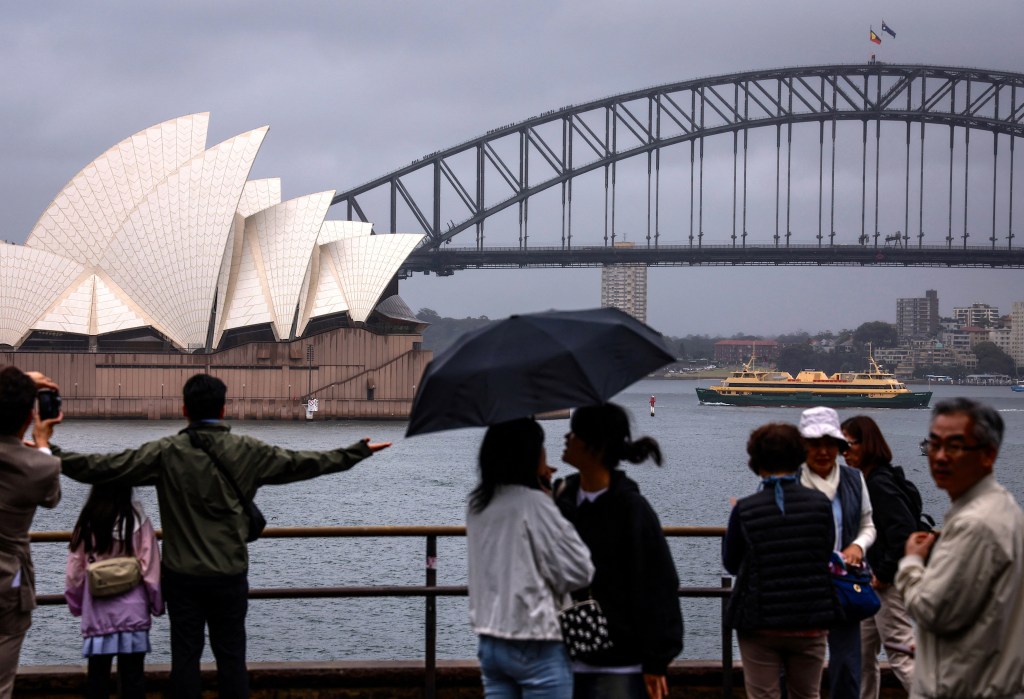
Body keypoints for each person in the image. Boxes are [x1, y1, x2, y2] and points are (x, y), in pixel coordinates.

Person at [36, 373, 391, 699]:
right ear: (223, 409)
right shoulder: (249, 450)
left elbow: (104, 468)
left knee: (186, 658)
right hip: (229, 573)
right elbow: (304, 462)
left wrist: (48, 449)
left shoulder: (166, 452)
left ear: (184, 409)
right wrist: (354, 453)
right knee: (232, 658)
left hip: (183, 576)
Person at [895, 398, 1024, 699]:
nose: (939, 457)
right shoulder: (1006, 510)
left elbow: (931, 611)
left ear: (987, 455)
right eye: (934, 444)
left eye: (954, 446)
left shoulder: (974, 526)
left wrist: (911, 562)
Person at [554, 403, 682, 699]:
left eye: (575, 434)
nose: (566, 438)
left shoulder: (632, 509)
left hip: (619, 663)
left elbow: (658, 586)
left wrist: (656, 659)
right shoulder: (562, 498)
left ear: (595, 446)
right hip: (563, 656)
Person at [467, 418, 594, 698]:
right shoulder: (535, 504)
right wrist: (549, 501)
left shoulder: (477, 505)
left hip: (490, 639)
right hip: (535, 639)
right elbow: (580, 570)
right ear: (529, 456)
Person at [724, 423, 840, 699]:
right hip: (809, 617)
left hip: (759, 618)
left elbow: (731, 563)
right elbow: (826, 553)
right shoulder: (820, 504)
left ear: (756, 461)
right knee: (807, 694)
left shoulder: (746, 509)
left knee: (763, 695)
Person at [797, 406, 876, 699]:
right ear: (802, 446)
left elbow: (868, 523)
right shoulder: (789, 481)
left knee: (847, 665)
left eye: (829, 444)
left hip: (844, 583)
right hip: (801, 586)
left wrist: (858, 545)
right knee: (798, 665)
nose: (822, 451)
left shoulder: (854, 479)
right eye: (815, 444)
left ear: (839, 447)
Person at [840, 416, 916, 698]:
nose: (843, 453)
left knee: (900, 656)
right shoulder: (875, 479)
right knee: (860, 655)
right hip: (872, 582)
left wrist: (884, 574)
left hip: (886, 584)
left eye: (847, 445)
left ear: (866, 444)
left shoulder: (879, 484)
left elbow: (903, 532)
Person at [65, 485, 163, 699]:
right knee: (133, 678)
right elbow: (151, 570)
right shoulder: (139, 520)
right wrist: (156, 604)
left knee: (97, 677)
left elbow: (75, 572)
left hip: (98, 611)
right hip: (133, 612)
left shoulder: (87, 522)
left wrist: (77, 605)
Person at [0, 367, 62, 698]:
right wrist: (41, 443)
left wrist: (20, 382)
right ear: (29, 416)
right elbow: (52, 498)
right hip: (7, 581)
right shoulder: (42, 466)